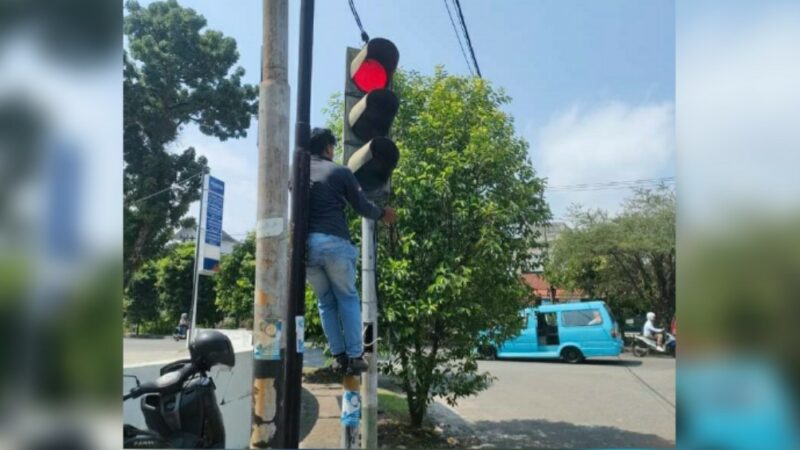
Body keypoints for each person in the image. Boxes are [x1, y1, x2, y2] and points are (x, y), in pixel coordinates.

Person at [305, 128, 396, 374]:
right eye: (332, 147)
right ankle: (355, 355)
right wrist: (382, 214)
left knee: (326, 302)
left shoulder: (297, 173)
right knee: (346, 296)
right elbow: (362, 206)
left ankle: (339, 356)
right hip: (334, 243)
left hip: (306, 249)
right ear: (327, 148)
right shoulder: (339, 171)